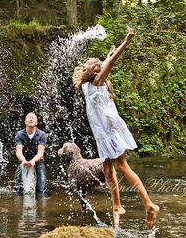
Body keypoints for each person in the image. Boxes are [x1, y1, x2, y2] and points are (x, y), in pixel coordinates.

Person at [72, 26, 159, 229]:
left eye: (89, 64)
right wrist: (108, 55)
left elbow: (109, 64)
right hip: (102, 134)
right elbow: (106, 64)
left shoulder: (97, 82)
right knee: (108, 170)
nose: (84, 65)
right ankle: (117, 208)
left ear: (96, 71)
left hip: (110, 132)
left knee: (122, 166)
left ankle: (149, 205)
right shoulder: (89, 85)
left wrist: (125, 43)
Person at [14, 112, 48, 196]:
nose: (31, 119)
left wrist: (33, 161)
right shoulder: (19, 134)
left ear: (36, 122)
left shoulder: (42, 134)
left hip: (38, 162)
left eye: (33, 118)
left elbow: (40, 152)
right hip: (24, 162)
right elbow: (18, 151)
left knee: (42, 190)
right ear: (25, 122)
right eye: (29, 117)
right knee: (19, 190)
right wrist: (23, 160)